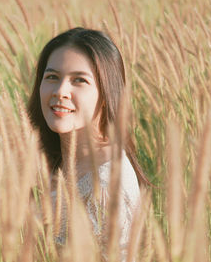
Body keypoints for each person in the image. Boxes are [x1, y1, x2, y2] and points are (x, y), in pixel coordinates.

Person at [27, 27, 150, 260]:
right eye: (52, 77)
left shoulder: (106, 188)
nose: (61, 91)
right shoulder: (46, 161)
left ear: (106, 93)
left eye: (79, 80)